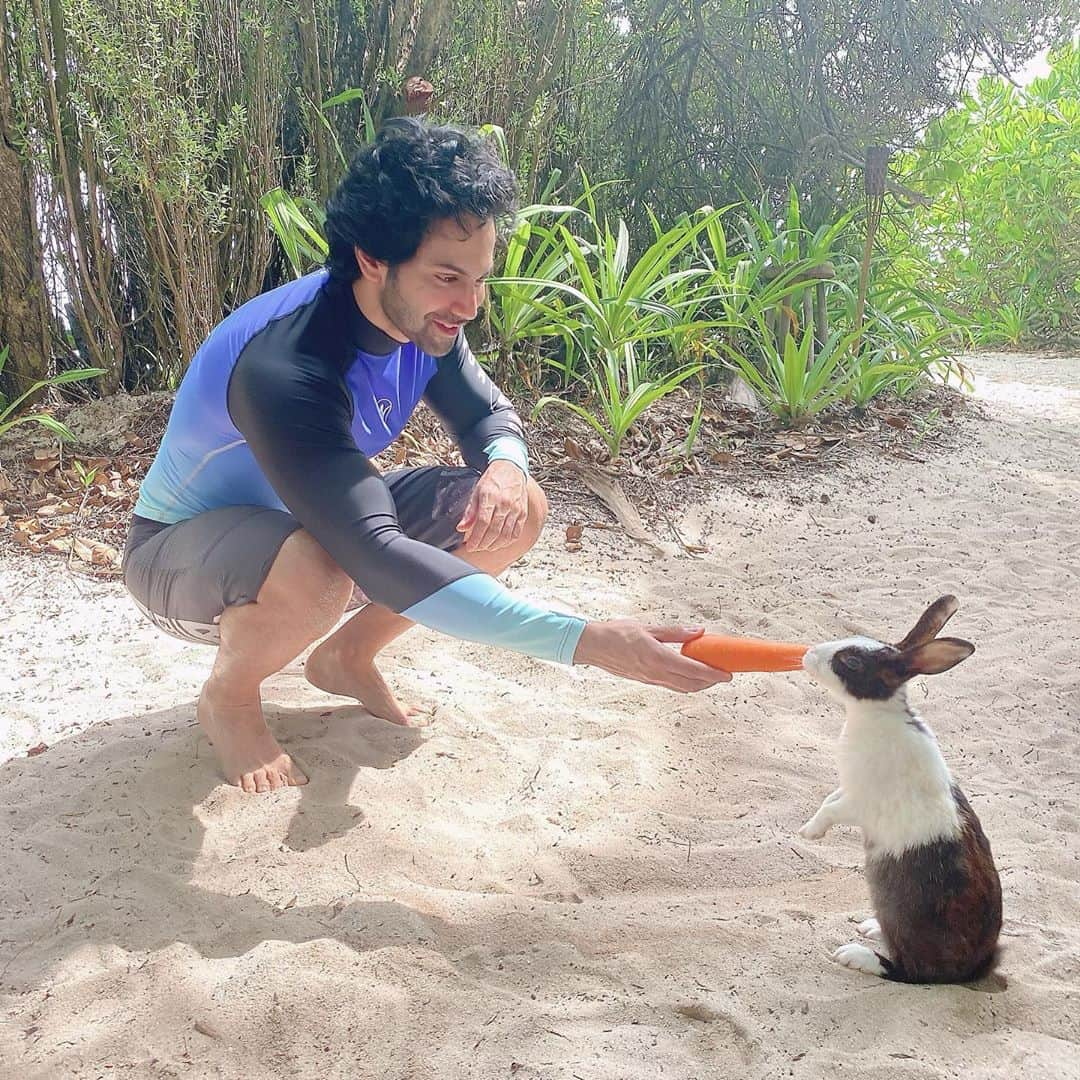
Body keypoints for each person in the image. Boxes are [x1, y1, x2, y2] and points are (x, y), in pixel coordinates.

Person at [122, 118, 730, 794]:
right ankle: (230, 699)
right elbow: (371, 552)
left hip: (305, 524)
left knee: (515, 507)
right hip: (178, 558)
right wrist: (587, 642)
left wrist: (505, 467)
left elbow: (486, 414)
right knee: (320, 566)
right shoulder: (287, 367)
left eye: (478, 279)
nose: (468, 305)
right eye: (447, 277)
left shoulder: (420, 318)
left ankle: (348, 655)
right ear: (373, 258)